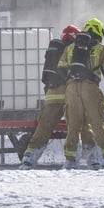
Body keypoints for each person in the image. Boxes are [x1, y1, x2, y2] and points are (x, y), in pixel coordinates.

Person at [62, 18, 104, 169]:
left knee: (73, 126)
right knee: (97, 124)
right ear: (99, 31)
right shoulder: (102, 49)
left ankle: (70, 162)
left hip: (71, 88)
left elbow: (61, 70)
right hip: (90, 88)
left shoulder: (70, 48)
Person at [19, 24, 80, 169]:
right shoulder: (71, 50)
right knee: (73, 129)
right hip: (68, 93)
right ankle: (71, 161)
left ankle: (28, 159)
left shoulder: (54, 49)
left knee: (42, 129)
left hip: (51, 95)